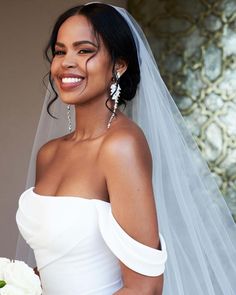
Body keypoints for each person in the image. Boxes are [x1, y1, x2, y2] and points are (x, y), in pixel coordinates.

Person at [15, 2, 236, 295]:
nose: (67, 62)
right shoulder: (49, 153)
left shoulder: (121, 146)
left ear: (118, 64)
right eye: (60, 51)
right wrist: (17, 283)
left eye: (84, 51)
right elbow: (63, 262)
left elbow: (145, 288)